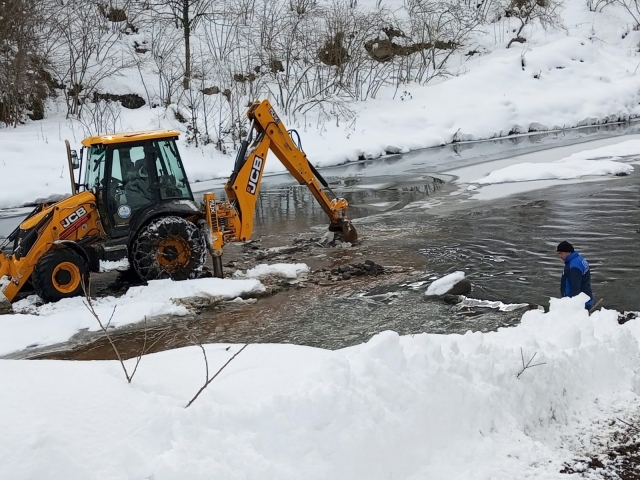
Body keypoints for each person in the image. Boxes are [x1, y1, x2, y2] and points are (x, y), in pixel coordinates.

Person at [556, 241, 594, 309]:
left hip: (580, 305)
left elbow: (574, 288)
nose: (559, 256)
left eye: (561, 253)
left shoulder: (573, 267)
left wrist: (572, 306)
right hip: (587, 298)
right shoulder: (580, 259)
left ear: (568, 252)